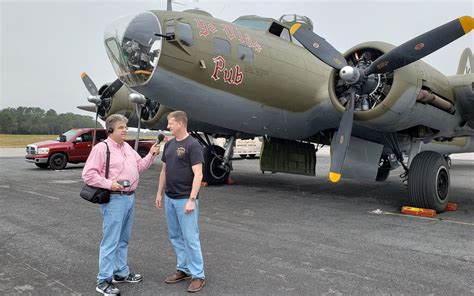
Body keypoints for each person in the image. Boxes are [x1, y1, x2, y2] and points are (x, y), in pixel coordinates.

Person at [82, 114, 160, 296]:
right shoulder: (102, 149)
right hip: (115, 199)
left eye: (125, 127)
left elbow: (139, 167)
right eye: (121, 128)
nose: (125, 130)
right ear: (110, 130)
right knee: (110, 241)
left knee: (123, 239)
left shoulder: (126, 147)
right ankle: (103, 281)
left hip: (130, 198)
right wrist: (110, 184)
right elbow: (88, 175)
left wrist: (151, 155)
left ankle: (120, 272)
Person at [155, 111, 206, 293]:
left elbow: (198, 174)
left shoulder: (193, 145)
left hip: (185, 199)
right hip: (170, 198)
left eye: (171, 123)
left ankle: (198, 275)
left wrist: (192, 199)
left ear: (181, 124)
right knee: (175, 236)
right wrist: (159, 193)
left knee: (190, 238)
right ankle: (183, 269)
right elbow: (164, 171)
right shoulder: (169, 145)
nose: (168, 126)